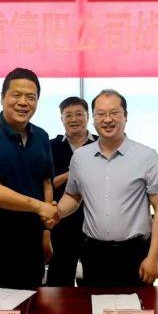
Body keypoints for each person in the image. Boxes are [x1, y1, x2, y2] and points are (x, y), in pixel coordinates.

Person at [56, 89, 158, 287]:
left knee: (137, 306)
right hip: (93, 254)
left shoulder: (147, 157)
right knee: (94, 306)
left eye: (114, 113)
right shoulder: (80, 157)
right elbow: (73, 196)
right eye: (100, 114)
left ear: (125, 116)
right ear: (93, 119)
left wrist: (153, 257)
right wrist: (55, 212)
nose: (107, 119)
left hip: (135, 254)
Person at [0, 68, 58, 290]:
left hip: (31, 244)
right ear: (2, 98)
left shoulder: (42, 136)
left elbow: (46, 183)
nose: (23, 102)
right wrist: (40, 207)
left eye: (31, 97)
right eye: (16, 95)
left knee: (32, 304)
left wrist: (46, 231)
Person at [47, 97, 97, 286]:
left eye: (79, 114)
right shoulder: (50, 146)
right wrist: (75, 171)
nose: (74, 119)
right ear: (62, 119)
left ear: (88, 116)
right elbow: (47, 183)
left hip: (95, 223)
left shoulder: (101, 143)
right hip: (61, 221)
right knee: (59, 280)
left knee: (96, 280)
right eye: (68, 115)